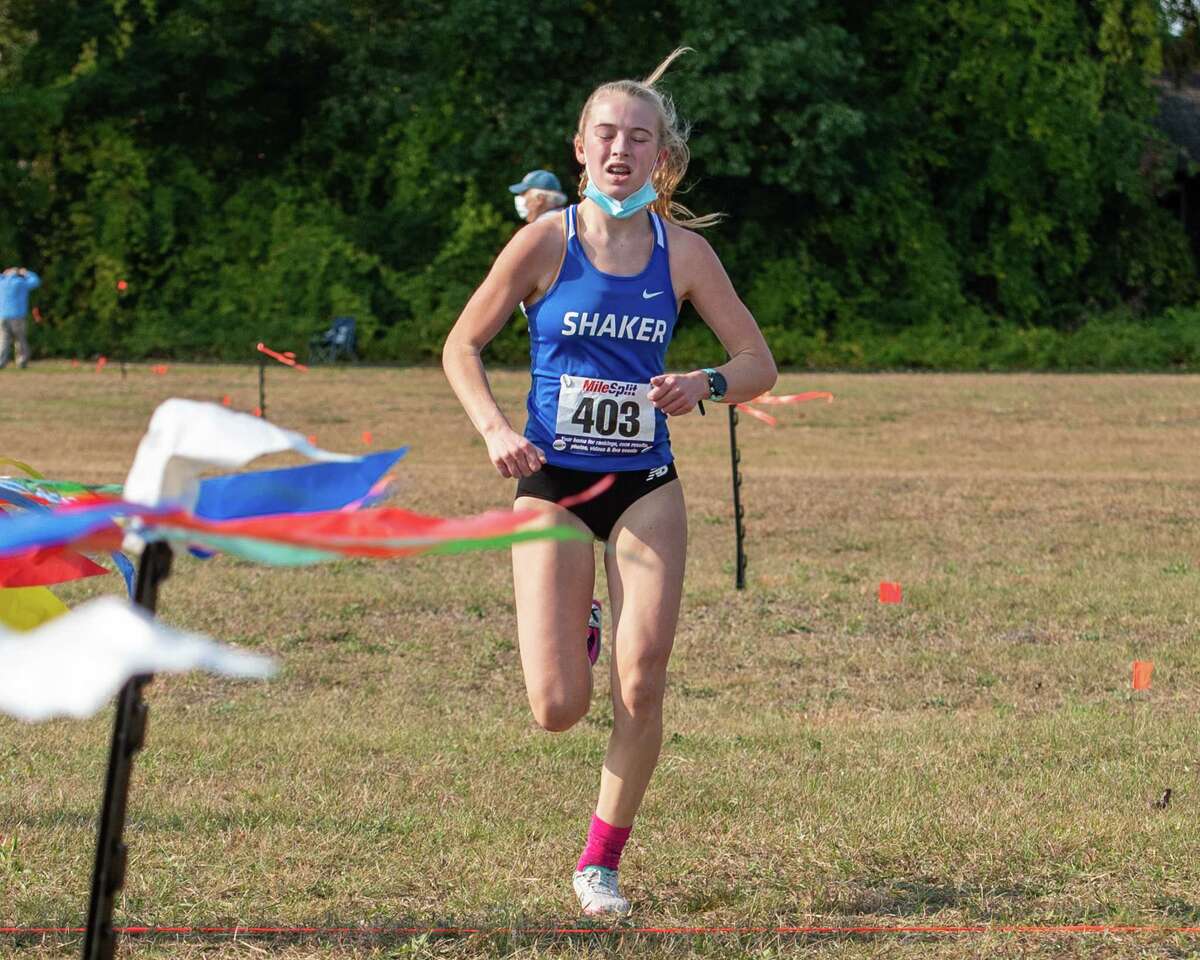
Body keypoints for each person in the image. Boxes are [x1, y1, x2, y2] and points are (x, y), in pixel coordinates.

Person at [443, 48, 776, 917]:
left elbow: (758, 363)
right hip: (551, 479)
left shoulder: (685, 254)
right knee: (557, 707)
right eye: (606, 134)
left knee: (644, 678)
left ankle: (600, 863)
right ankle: (583, 619)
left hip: (645, 483)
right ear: (581, 147)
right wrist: (494, 431)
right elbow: (461, 345)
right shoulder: (543, 241)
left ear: (661, 158)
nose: (621, 149)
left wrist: (699, 386)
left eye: (640, 138)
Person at [0, 265, 40, 369]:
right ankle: (21, 362)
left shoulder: (2, 282)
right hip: (18, 316)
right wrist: (26, 273)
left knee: (4, 340)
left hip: (3, 316)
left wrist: (5, 274)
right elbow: (36, 281)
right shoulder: (21, 283)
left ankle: (1, 362)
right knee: (20, 339)